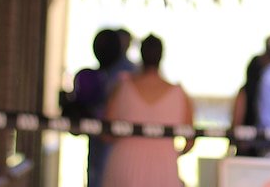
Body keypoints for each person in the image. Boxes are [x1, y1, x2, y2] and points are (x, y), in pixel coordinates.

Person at [102, 34, 194, 187]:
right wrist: (168, 153)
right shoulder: (179, 94)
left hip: (126, 163)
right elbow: (190, 140)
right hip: (164, 167)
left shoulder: (122, 87)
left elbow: (106, 133)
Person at [60, 29, 123, 187]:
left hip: (120, 159)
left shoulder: (127, 77)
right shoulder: (91, 77)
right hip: (97, 156)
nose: (101, 50)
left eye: (106, 46)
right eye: (98, 46)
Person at [231, 54, 264, 156]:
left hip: (245, 144)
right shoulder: (263, 91)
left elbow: (237, 119)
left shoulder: (245, 91)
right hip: (259, 144)